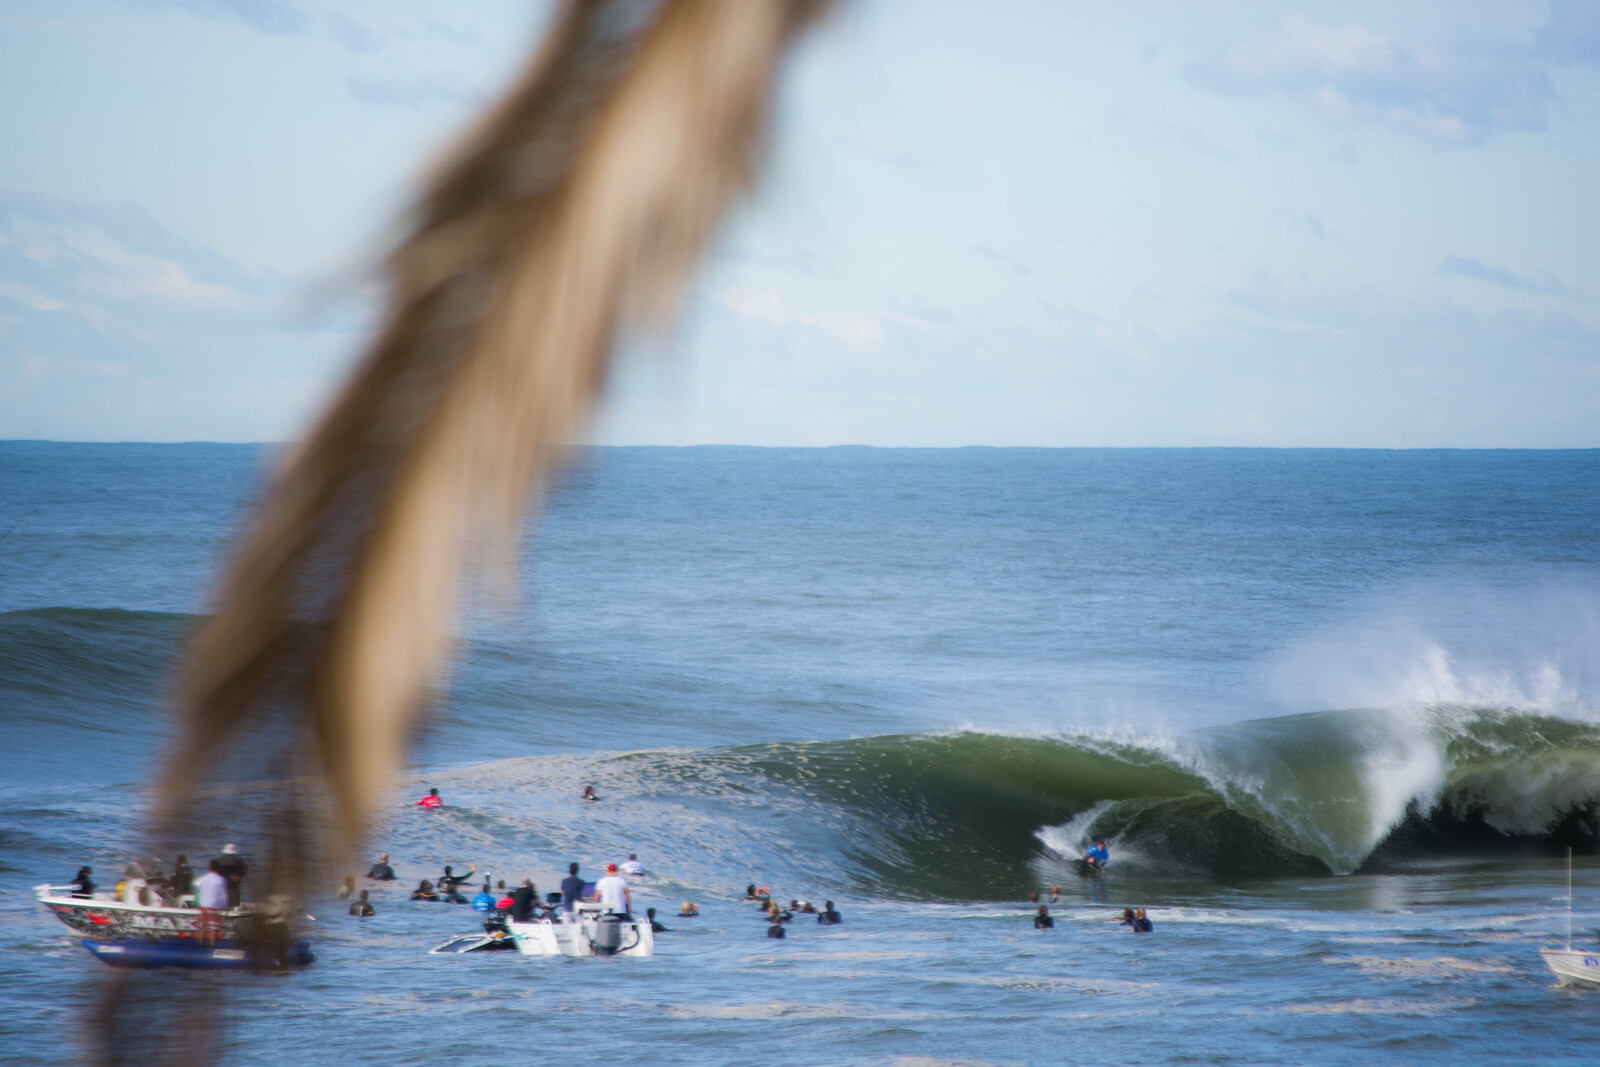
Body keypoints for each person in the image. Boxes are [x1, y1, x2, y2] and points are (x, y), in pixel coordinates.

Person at [195, 859, 228, 946]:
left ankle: (201, 946)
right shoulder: (221, 879)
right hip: (213, 905)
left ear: (209, 868)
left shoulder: (203, 878)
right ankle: (212, 947)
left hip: (203, 905)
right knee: (213, 929)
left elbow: (200, 892)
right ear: (218, 869)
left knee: (203, 927)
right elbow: (223, 895)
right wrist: (226, 907)